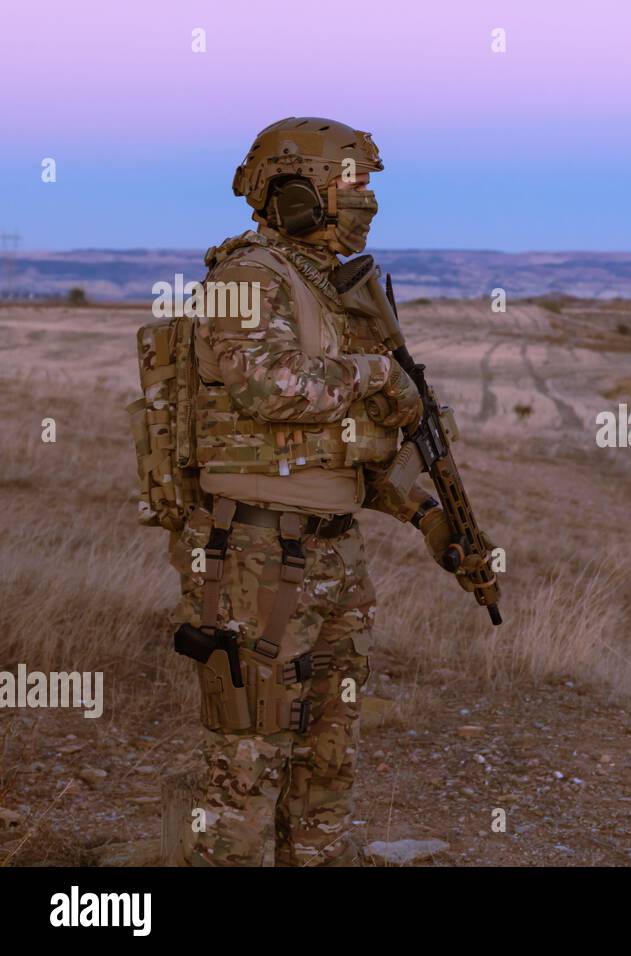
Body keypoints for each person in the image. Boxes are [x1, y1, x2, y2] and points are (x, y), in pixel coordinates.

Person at [170, 117, 462, 866]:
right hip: (255, 554)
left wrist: (425, 513)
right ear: (295, 192)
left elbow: (347, 447)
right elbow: (270, 387)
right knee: (249, 756)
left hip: (332, 553)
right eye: (349, 186)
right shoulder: (245, 279)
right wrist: (378, 377)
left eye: (367, 188)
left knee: (327, 751)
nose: (363, 204)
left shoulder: (328, 290)